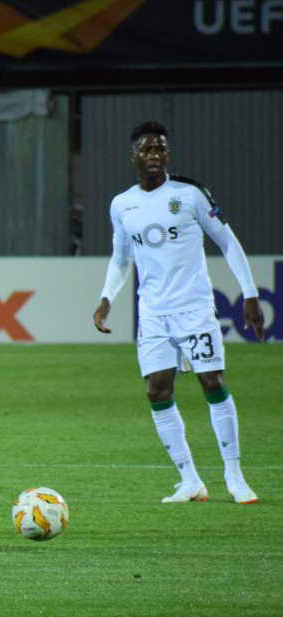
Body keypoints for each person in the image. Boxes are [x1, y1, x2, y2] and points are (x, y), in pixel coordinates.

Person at [93, 120, 265, 504]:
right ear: (133, 156)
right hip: (153, 314)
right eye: (146, 149)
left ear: (168, 154)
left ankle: (234, 475)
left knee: (212, 383)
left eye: (160, 148)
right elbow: (121, 258)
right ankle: (190, 480)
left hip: (194, 308)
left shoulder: (190, 194)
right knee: (157, 391)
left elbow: (227, 241)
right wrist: (107, 297)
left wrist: (250, 293)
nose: (154, 155)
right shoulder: (122, 204)